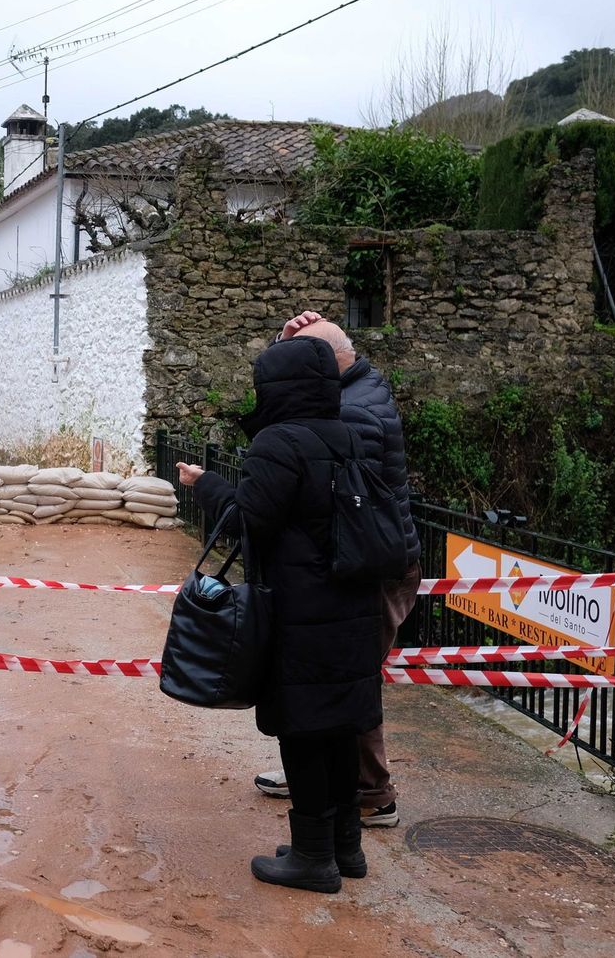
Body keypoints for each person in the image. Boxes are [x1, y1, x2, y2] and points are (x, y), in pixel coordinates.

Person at [179, 336, 383, 893]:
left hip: (302, 613)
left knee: (302, 730)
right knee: (339, 728)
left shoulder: (280, 441)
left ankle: (313, 858)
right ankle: (346, 847)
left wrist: (208, 486)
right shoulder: (350, 436)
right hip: (352, 608)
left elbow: (248, 523)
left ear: (276, 388)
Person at [250, 311, 422, 829]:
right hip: (353, 559)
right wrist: (283, 346)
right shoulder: (351, 390)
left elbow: (291, 445)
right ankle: (326, 781)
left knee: (347, 681)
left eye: (300, 359)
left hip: (366, 564)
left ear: (326, 362)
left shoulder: (356, 413)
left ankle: (372, 792)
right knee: (335, 681)